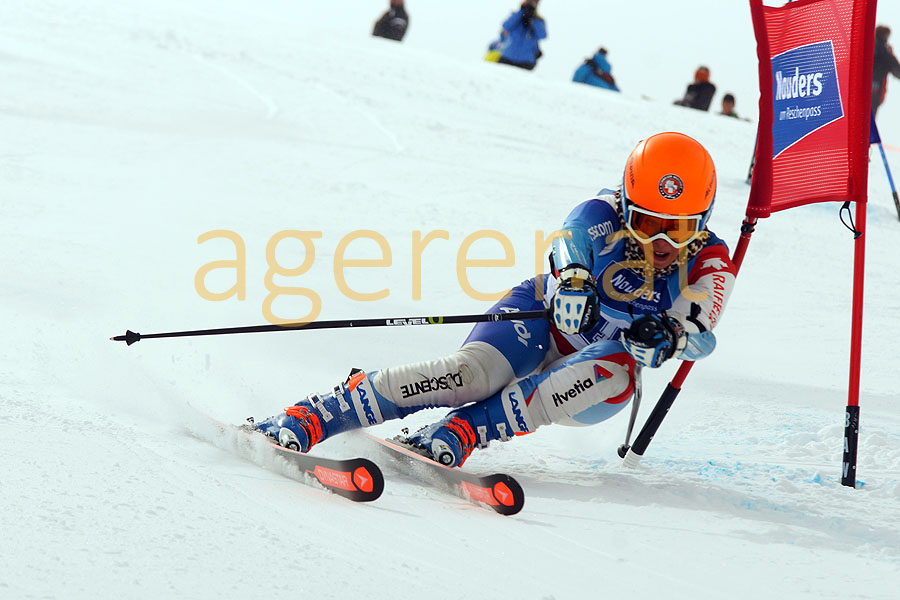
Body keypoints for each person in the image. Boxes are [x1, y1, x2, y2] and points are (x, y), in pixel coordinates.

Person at [251, 133, 736, 468]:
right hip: (541, 322)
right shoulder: (602, 212)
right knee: (471, 375)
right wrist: (572, 281)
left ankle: (469, 429)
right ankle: (322, 412)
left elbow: (702, 332)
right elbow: (569, 241)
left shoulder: (711, 260)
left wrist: (671, 336)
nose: (662, 242)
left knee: (616, 366)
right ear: (627, 205)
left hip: (593, 381)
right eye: (648, 223)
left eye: (679, 229)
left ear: (703, 221)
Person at [492, 0, 546, 71]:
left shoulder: (538, 20)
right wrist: (521, 11)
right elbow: (506, 26)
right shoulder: (516, 16)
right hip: (507, 57)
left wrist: (533, 18)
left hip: (526, 62)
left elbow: (542, 35)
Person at [873, 25, 900, 117]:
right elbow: (897, 71)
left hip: (860, 90)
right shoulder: (885, 53)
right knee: (868, 119)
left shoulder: (866, 48)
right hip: (875, 91)